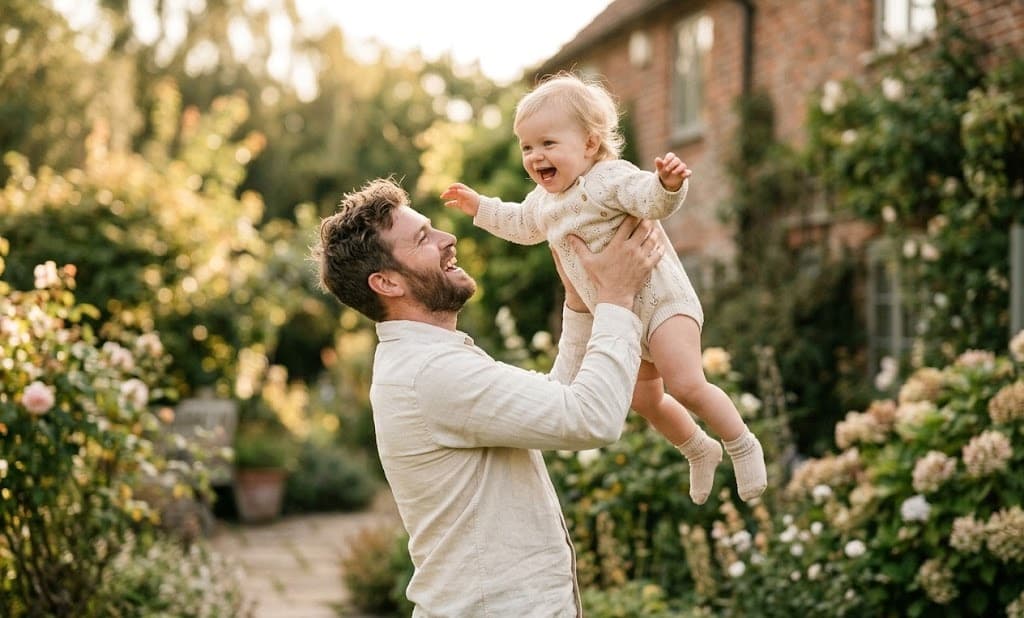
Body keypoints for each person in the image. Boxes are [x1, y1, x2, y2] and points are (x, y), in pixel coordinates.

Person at [312, 177, 664, 616]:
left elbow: (557, 400)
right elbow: (591, 418)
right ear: (386, 283)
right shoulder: (432, 373)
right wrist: (616, 296)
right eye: (424, 238)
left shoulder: (430, 360)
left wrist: (579, 305)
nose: (448, 239)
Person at [441, 72, 767, 505]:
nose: (535, 156)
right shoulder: (543, 202)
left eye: (547, 144)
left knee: (686, 384)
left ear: (590, 145)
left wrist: (668, 184)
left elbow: (649, 199)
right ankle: (697, 448)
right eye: (527, 147)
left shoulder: (608, 178)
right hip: (626, 318)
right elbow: (519, 223)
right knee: (644, 401)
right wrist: (480, 207)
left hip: (665, 304)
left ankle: (742, 443)